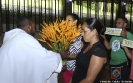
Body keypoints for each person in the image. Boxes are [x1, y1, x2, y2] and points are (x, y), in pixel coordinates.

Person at [0, 16, 64, 83]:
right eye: (34, 27)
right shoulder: (25, 39)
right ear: (29, 27)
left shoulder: (12, 39)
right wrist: (60, 56)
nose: (35, 30)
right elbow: (43, 57)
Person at [70, 18, 107, 83]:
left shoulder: (99, 52)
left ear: (94, 32)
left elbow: (89, 80)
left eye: (84, 31)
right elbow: (78, 69)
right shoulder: (86, 45)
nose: (82, 34)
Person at [102, 17, 133, 81]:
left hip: (122, 64)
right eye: (116, 23)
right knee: (115, 80)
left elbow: (130, 50)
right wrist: (104, 37)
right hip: (113, 63)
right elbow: (108, 47)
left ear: (125, 24)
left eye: (119, 23)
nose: (116, 25)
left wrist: (124, 37)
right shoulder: (114, 35)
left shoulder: (129, 35)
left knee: (121, 80)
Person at [62, 13, 82, 83]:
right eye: (65, 20)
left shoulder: (82, 36)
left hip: (77, 68)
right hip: (66, 68)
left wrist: (66, 56)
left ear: (75, 21)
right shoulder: (64, 35)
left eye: (69, 20)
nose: (66, 23)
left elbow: (83, 54)